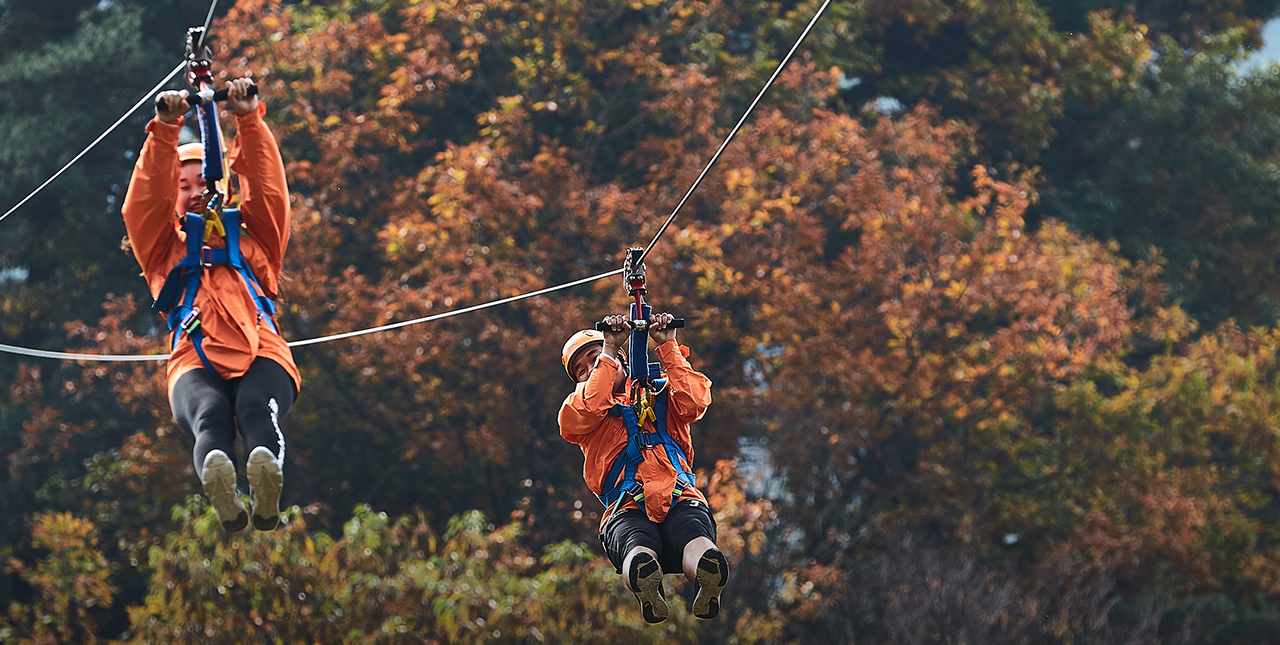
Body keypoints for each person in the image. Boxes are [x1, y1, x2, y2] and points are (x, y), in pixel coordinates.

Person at [121, 79, 297, 532]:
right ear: (171, 195)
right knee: (209, 416)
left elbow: (269, 190)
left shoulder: (256, 238)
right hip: (192, 357)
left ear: (222, 188)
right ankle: (222, 485)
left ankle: (265, 484)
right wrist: (164, 130)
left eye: (204, 181)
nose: (195, 190)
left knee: (258, 406)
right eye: (183, 185)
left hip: (262, 349)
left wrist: (248, 118)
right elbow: (142, 204)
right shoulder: (163, 249)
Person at [558, 314, 730, 623]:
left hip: (679, 496)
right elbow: (593, 400)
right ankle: (646, 584)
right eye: (581, 371)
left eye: (593, 360)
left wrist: (667, 345)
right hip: (626, 506)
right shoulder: (578, 412)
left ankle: (707, 571)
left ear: (623, 360)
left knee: (695, 538)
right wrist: (608, 350)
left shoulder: (664, 394)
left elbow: (696, 401)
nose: (589, 372)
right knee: (637, 548)